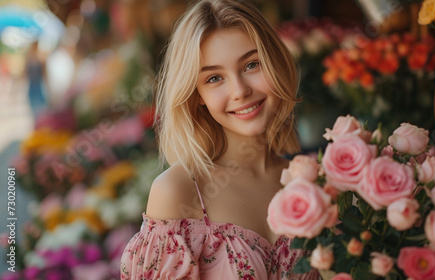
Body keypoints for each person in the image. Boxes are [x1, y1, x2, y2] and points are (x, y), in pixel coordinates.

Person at [121, 0, 319, 279]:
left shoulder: (308, 180)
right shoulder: (179, 191)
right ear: (197, 95)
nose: (240, 90)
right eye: (214, 78)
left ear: (276, 63)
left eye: (252, 64)